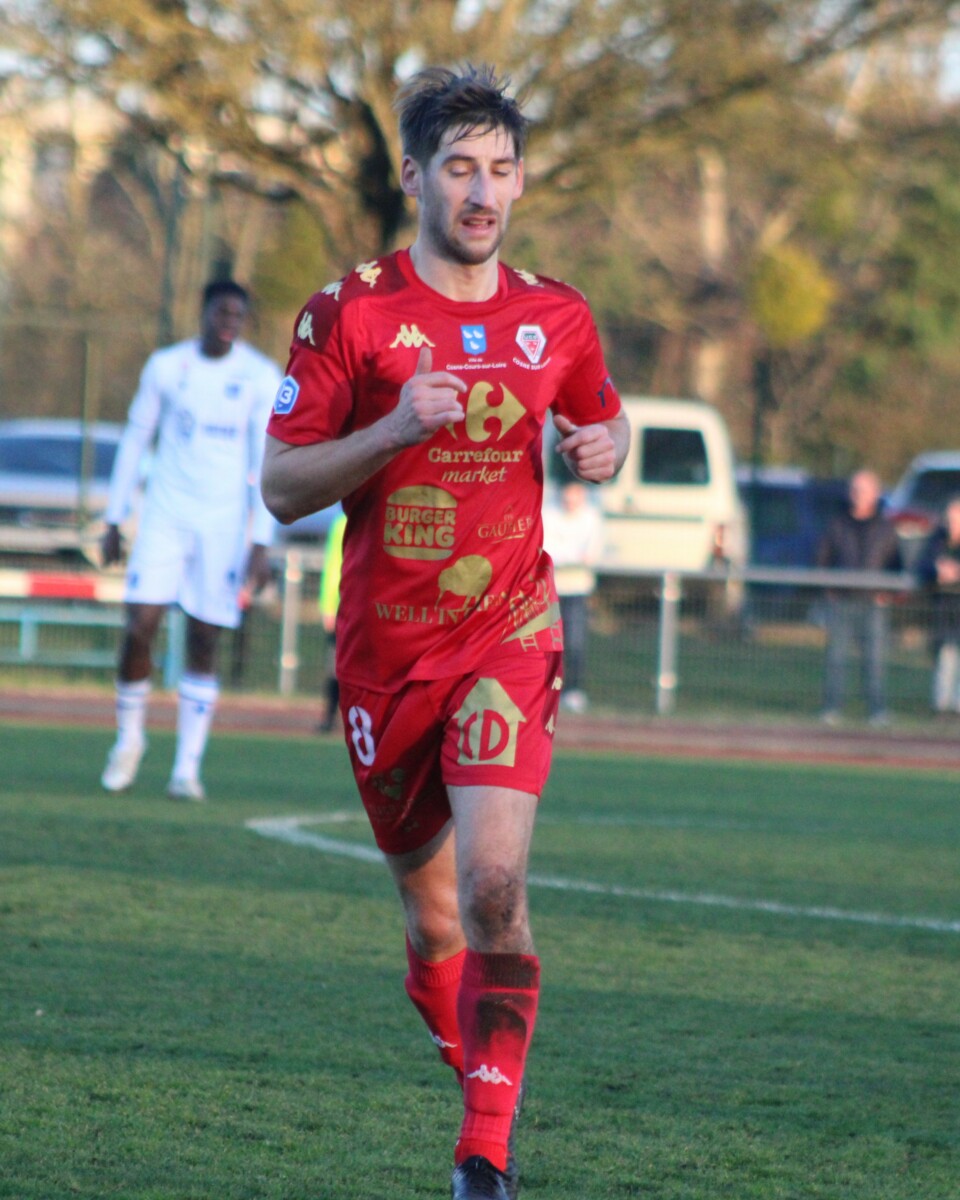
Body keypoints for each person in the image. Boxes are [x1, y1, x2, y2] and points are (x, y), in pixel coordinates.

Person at [260, 64, 629, 1200]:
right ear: (415, 177)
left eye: (501, 170)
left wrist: (606, 449)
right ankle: (472, 1060)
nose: (482, 191)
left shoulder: (557, 314)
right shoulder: (349, 313)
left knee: (495, 891)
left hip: (509, 630)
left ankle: (484, 1157)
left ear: (519, 183)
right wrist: (388, 431)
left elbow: (603, 422)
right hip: (386, 656)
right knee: (434, 924)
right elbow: (280, 486)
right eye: (460, 168)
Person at [100, 279, 282, 800]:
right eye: (221, 312)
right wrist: (114, 517)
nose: (229, 322)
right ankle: (129, 739)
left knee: (205, 637)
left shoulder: (259, 376)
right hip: (165, 515)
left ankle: (186, 767)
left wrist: (261, 540)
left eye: (238, 315)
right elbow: (136, 438)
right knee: (140, 625)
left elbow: (265, 459)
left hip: (223, 524)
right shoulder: (166, 367)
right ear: (203, 313)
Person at [816, 467, 902, 727]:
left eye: (864, 489)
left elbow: (896, 564)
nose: (858, 494)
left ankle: (876, 710)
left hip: (872, 604)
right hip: (842, 602)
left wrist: (887, 592)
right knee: (836, 658)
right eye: (854, 489)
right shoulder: (837, 523)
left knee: (874, 660)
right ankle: (831, 708)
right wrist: (829, 590)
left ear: (875, 493)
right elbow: (822, 559)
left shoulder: (886, 528)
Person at [541, 480, 605, 713]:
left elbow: (591, 553)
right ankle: (545, 690)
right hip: (550, 590)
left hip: (578, 590)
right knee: (547, 644)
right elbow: (546, 550)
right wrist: (572, 556)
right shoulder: (549, 514)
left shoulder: (592, 518)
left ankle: (574, 690)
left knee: (575, 643)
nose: (570, 500)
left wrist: (563, 556)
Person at [916, 495, 960, 714]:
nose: (952, 524)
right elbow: (921, 565)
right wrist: (937, 570)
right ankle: (942, 706)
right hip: (945, 610)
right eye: (950, 519)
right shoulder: (937, 540)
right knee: (945, 657)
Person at [316, 507, 347, 733]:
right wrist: (328, 605)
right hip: (342, 608)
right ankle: (329, 717)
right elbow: (333, 565)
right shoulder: (341, 523)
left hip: (364, 610)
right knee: (336, 667)